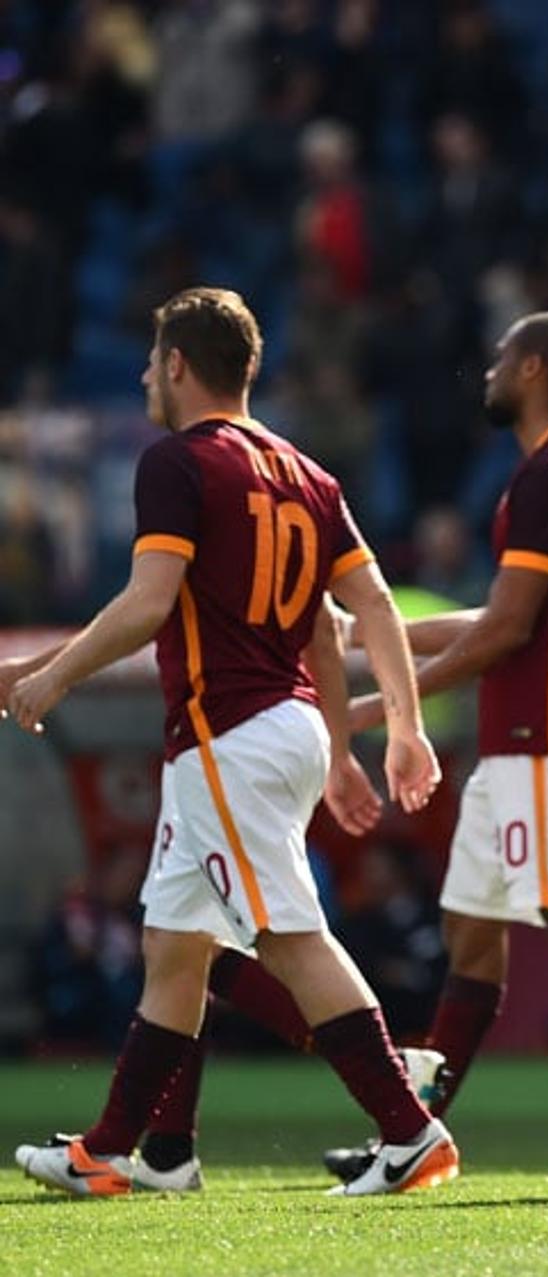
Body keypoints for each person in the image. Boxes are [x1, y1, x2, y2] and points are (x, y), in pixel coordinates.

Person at [4, 287, 456, 1198]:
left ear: (177, 363)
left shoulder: (177, 462)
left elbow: (148, 601)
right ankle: (136, 1151)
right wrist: (385, 731)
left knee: (289, 937)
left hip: (231, 733)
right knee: (177, 945)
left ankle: (410, 1128)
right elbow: (355, 615)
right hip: (274, 727)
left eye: (149, 361)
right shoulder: (304, 471)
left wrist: (53, 673)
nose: (141, 376)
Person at [320, 311, 548, 1187]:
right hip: (525, 739)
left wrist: (380, 703)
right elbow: (502, 618)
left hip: (545, 735)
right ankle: (416, 1138)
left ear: (532, 368)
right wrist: (367, 641)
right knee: (471, 934)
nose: (487, 371)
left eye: (498, 359)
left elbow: (506, 633)